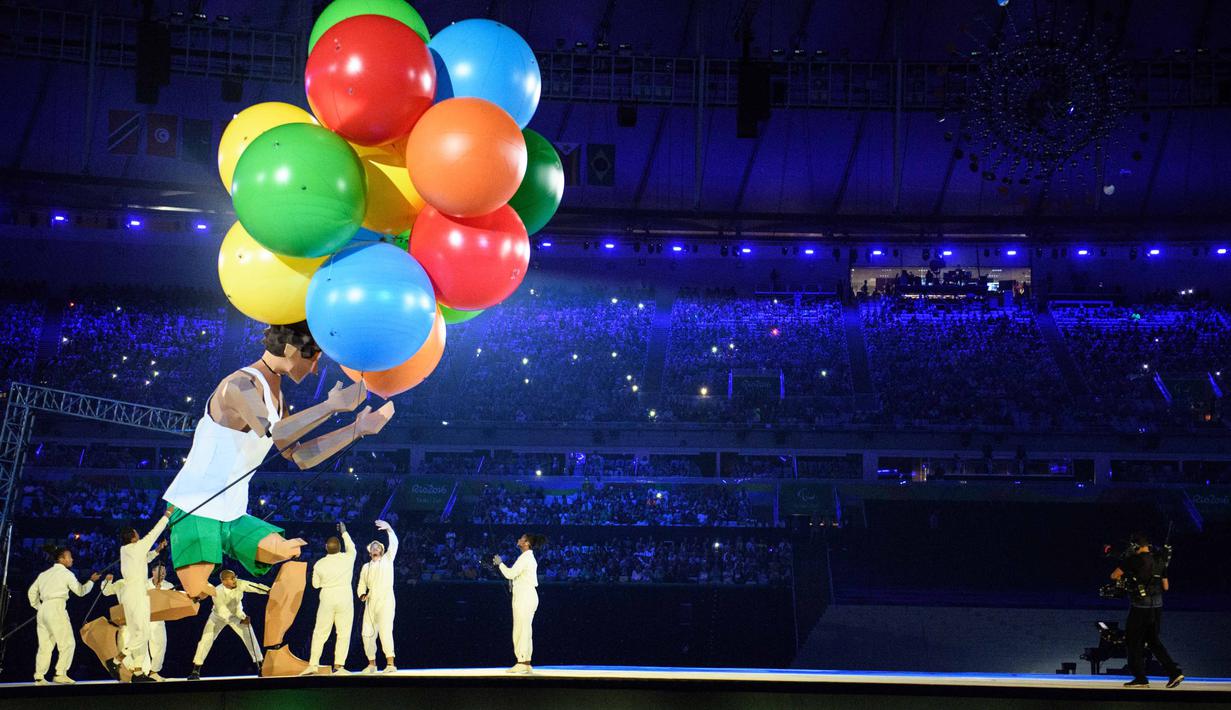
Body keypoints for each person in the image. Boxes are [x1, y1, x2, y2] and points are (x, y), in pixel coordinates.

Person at [162, 321, 394, 598]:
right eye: (313, 358)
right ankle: (114, 623)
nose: (315, 369)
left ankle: (274, 643)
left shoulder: (279, 399)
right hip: (196, 507)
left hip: (233, 513)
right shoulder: (239, 385)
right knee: (195, 597)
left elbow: (300, 456)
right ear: (289, 349)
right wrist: (331, 407)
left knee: (289, 554)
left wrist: (356, 430)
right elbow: (275, 432)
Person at [1111, 532, 1184, 688]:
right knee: (1153, 641)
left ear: (1135, 546)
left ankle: (1140, 679)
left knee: (1132, 642)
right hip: (1157, 606)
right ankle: (1174, 673)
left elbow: (1114, 575)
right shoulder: (1159, 560)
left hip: (1140, 607)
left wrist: (1130, 581)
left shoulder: (1132, 560)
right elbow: (1166, 586)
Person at [28, 545, 105, 685]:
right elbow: (81, 591)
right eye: (69, 556)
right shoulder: (67, 574)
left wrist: (39, 607)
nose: (72, 559)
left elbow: (32, 593)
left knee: (45, 645)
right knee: (68, 643)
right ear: (62, 559)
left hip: (43, 610)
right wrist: (92, 581)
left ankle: (39, 676)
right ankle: (60, 673)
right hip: (57, 608)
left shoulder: (43, 574)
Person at [114, 506, 174, 682]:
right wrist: (167, 516)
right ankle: (118, 658)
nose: (138, 535)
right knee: (144, 634)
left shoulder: (126, 551)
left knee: (136, 633)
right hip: (137, 594)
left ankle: (138, 672)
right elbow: (154, 532)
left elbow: (145, 558)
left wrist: (157, 551)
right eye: (136, 533)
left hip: (130, 594)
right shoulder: (136, 547)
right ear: (133, 537)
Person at [100, 547, 170, 680]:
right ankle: (120, 665)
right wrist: (107, 581)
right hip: (126, 621)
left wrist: (157, 589)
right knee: (130, 645)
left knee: (141, 646)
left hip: (139, 618)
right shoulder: (121, 583)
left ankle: (138, 673)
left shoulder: (141, 583)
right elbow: (106, 591)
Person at [187, 569, 269, 680]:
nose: (235, 579)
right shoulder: (217, 591)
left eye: (235, 577)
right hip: (218, 617)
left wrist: (269, 591)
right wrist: (241, 621)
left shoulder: (239, 583)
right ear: (224, 581)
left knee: (250, 637)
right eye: (232, 578)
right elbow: (223, 612)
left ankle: (261, 667)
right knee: (206, 639)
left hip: (237, 615)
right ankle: (196, 670)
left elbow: (255, 586)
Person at [301, 522, 356, 675]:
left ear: (326, 547)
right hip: (344, 594)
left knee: (320, 632)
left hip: (327, 596)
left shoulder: (319, 564)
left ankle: (313, 665)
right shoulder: (348, 558)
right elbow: (352, 547)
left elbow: (315, 585)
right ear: (339, 547)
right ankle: (338, 667)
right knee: (343, 632)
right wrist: (344, 533)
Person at [493, 533, 546, 674]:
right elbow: (516, 576)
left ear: (527, 542)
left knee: (520, 629)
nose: (518, 540)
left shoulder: (526, 557)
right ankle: (526, 662)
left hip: (525, 596)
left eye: (521, 538)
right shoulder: (527, 558)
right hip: (527, 595)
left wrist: (500, 563)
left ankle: (522, 661)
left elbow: (510, 573)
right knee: (526, 630)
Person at [357, 519, 398, 673]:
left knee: (385, 631)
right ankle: (372, 664)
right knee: (366, 632)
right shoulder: (365, 567)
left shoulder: (387, 560)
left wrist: (389, 529)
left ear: (381, 550)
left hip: (386, 600)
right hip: (371, 601)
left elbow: (394, 544)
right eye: (372, 546)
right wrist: (362, 595)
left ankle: (390, 664)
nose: (375, 547)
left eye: (377, 546)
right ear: (370, 551)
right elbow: (361, 584)